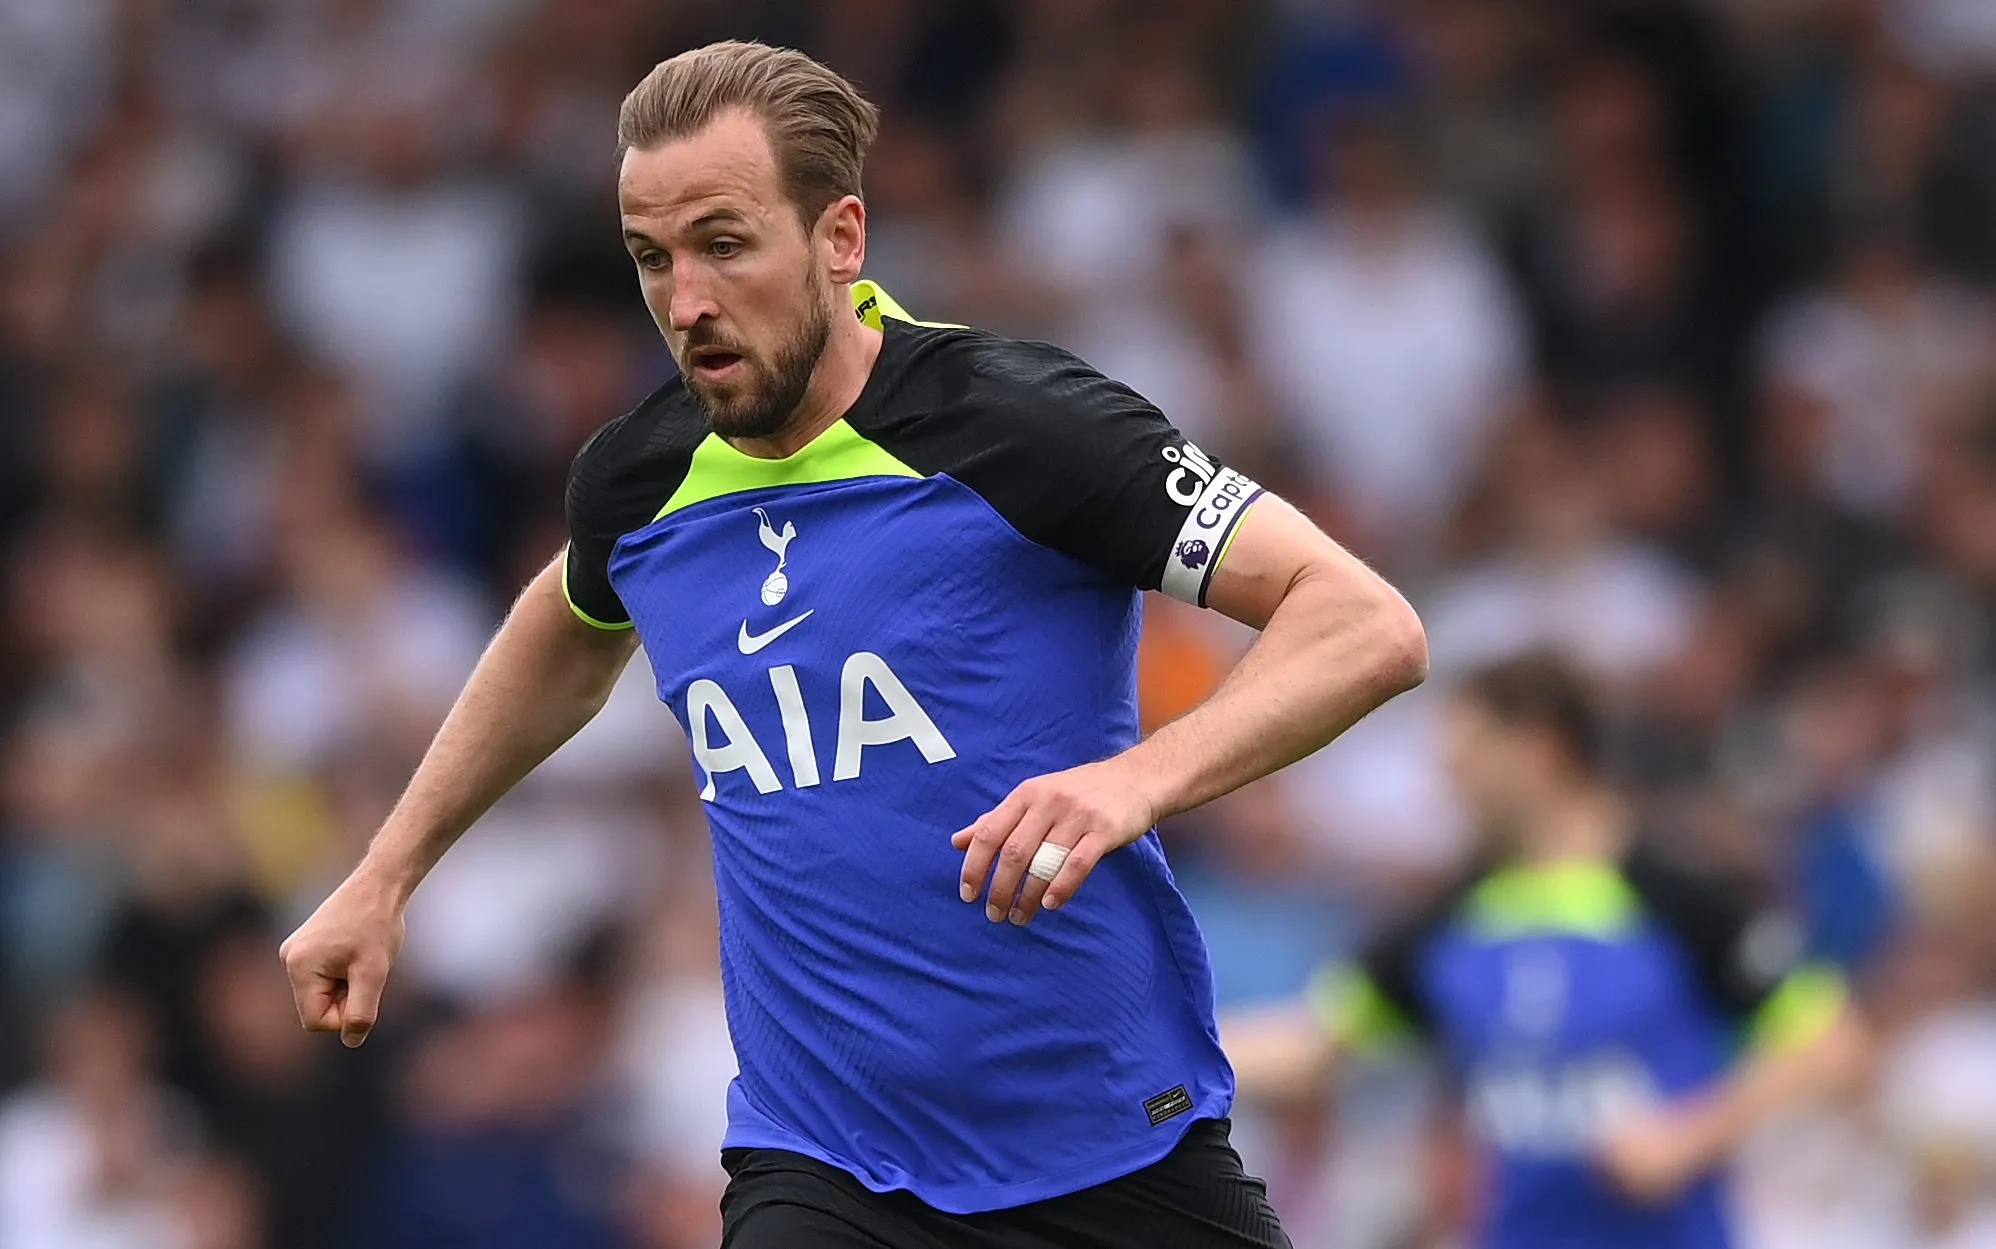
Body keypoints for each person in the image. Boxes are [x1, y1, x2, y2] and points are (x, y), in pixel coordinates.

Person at [278, 40, 1429, 1249]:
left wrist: (1134, 779)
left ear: (840, 237)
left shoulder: (1016, 427)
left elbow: (1362, 621)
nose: (685, 302)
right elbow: (565, 625)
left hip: (1103, 1142)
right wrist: (387, 870)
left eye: (724, 244)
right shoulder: (638, 480)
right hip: (824, 1165)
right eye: (650, 259)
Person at [1223, 654, 1864, 1249]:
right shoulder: (1452, 917)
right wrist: (1147, 1051)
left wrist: (1689, 1136)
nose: (1448, 773)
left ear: (1538, 749)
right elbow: (1316, 1050)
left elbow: (1830, 1041)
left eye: (1467, 748)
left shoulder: (1674, 895)